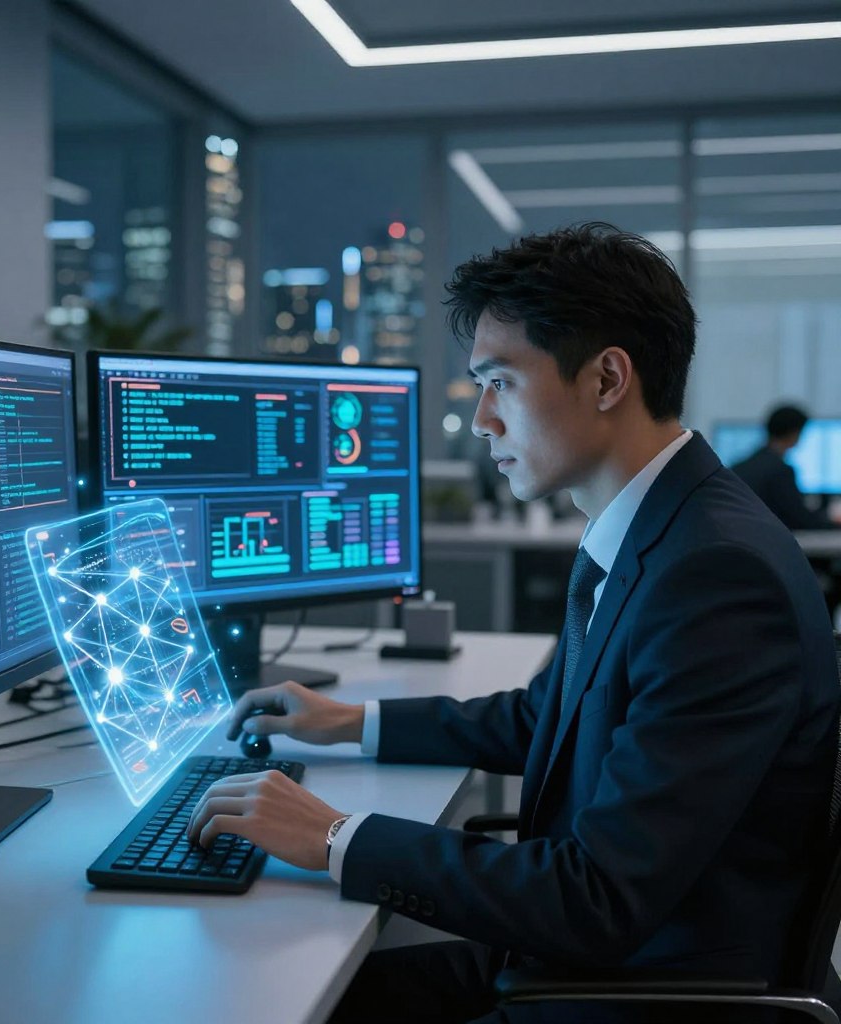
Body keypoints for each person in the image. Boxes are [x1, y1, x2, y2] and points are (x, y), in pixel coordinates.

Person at [187, 223, 840, 1023]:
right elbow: (551, 717)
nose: (484, 418)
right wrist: (355, 723)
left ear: (606, 379)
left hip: (643, 994)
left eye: (500, 381)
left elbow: (596, 899)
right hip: (588, 959)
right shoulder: (661, 528)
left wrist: (332, 836)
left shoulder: (715, 574)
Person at [731, 404, 841, 531]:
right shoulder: (780, 471)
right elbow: (800, 520)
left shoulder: (739, 467)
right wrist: (834, 524)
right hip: (769, 541)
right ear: (794, 433)